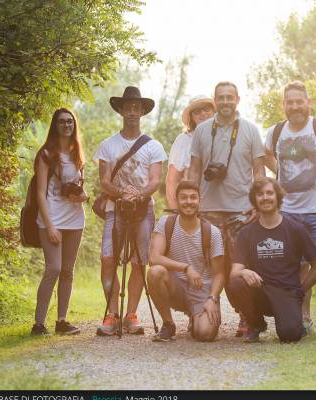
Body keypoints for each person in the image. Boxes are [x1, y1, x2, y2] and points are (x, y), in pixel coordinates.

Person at [263, 81, 316, 333]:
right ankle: (304, 320)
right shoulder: (276, 132)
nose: (295, 106)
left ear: (308, 102)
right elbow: (265, 153)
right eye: (290, 102)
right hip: (287, 214)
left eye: (299, 101)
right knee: (297, 268)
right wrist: (281, 172)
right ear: (284, 106)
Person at [188, 81, 266, 336]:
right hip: (208, 210)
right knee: (206, 267)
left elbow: (259, 171)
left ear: (238, 100)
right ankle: (201, 312)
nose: (225, 102)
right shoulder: (201, 131)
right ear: (215, 100)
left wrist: (257, 203)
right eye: (220, 98)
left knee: (238, 268)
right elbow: (195, 169)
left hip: (240, 212)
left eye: (229, 97)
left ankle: (246, 316)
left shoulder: (251, 130)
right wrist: (191, 201)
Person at [93, 86, 167, 336]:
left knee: (139, 261)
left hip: (143, 211)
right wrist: (122, 193)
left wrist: (138, 194)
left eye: (137, 108)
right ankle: (111, 314)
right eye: (128, 107)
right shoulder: (108, 145)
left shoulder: (153, 146)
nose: (133, 112)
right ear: (121, 111)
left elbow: (156, 180)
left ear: (142, 111)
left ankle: (131, 314)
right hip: (116, 210)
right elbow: (103, 181)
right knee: (107, 259)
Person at [228, 177, 316, 342]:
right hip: (260, 291)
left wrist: (300, 291)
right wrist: (244, 272)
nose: (265, 197)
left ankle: (294, 323)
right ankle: (256, 324)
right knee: (236, 283)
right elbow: (233, 273)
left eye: (269, 193)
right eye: (260, 194)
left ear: (277, 197)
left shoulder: (296, 229)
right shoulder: (247, 233)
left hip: (287, 292)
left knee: (289, 335)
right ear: (255, 200)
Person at [32, 108, 88, 336]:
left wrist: (84, 196)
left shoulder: (77, 154)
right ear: (55, 125)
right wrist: (50, 225)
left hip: (75, 218)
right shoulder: (46, 154)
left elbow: (82, 189)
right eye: (62, 122)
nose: (67, 125)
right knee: (53, 268)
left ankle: (62, 321)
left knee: (67, 271)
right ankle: (38, 323)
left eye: (70, 121)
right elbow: (40, 194)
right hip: (51, 218)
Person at [148, 180, 225, 341]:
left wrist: (212, 299)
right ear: (176, 200)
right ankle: (168, 324)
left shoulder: (212, 232)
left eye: (193, 197)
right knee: (155, 272)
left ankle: (196, 316)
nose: (188, 202)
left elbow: (219, 274)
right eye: (184, 197)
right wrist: (186, 268)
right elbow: (154, 258)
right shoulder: (166, 223)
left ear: (199, 201)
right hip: (176, 287)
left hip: (201, 289)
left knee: (204, 334)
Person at [165, 95, 216, 209]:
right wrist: (175, 212)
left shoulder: (227, 136)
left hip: (224, 206)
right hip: (192, 208)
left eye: (207, 109)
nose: (203, 113)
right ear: (192, 117)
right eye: (197, 111)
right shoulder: (184, 140)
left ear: (214, 111)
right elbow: (172, 180)